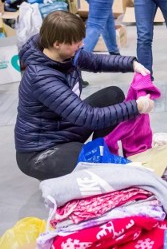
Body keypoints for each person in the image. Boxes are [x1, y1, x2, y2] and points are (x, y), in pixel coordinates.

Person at [15, 11, 154, 181]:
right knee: (95, 162)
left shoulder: (64, 53)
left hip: (65, 129)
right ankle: (73, 163)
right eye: (76, 42)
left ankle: (98, 152)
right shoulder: (41, 77)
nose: (81, 45)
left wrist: (131, 64)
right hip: (41, 151)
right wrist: (136, 107)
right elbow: (89, 117)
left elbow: (96, 61)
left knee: (113, 95)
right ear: (58, 43)